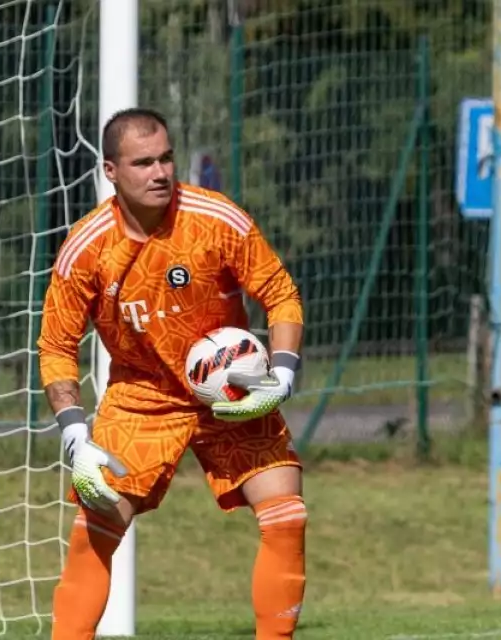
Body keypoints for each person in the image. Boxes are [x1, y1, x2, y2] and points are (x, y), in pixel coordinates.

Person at [38, 107, 307, 640]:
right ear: (111, 172)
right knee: (96, 530)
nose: (160, 172)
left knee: (287, 515)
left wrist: (282, 372)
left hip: (232, 391)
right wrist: (73, 432)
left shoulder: (216, 219)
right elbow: (55, 346)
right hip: (142, 397)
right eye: (143, 163)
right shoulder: (87, 248)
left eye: (166, 158)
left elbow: (281, 294)